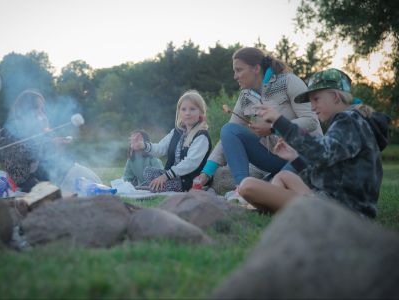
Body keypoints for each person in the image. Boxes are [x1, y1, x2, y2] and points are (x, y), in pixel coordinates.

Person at [238, 68, 390, 218]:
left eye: (316, 99)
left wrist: (279, 121)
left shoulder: (348, 121)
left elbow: (320, 153)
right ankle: (276, 210)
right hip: (338, 203)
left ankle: (273, 210)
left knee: (248, 185)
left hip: (344, 213)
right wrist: (295, 158)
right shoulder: (353, 121)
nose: (312, 107)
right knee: (284, 175)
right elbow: (325, 179)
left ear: (335, 97)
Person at [195, 47, 322, 198]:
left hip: (302, 154)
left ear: (256, 68)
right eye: (234, 71)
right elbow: (227, 138)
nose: (235, 76)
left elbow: (311, 120)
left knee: (276, 185)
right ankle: (242, 189)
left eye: (239, 70)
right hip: (274, 157)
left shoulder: (288, 81)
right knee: (229, 129)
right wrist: (205, 174)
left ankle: (275, 184)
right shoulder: (245, 97)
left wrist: (273, 127)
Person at [0, 89, 101, 193]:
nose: (41, 113)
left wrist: (56, 145)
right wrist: (48, 144)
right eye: (37, 108)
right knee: (53, 192)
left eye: (42, 109)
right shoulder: (11, 129)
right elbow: (18, 166)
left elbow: (48, 159)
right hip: (23, 182)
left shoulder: (37, 128)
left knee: (82, 176)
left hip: (40, 176)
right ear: (25, 109)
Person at [133, 90, 211, 192]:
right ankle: (151, 187)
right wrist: (143, 145)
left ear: (201, 112)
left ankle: (149, 187)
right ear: (179, 112)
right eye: (184, 109)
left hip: (188, 181)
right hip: (171, 176)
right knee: (148, 171)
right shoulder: (176, 132)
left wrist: (165, 176)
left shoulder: (201, 136)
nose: (187, 113)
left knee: (159, 185)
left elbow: (191, 163)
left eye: (192, 109)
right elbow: (160, 149)